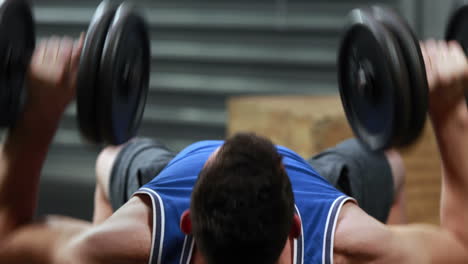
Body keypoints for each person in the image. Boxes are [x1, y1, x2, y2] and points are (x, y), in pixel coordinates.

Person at [0, 34, 467, 264]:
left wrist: (39, 112)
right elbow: (458, 244)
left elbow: (8, 236)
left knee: (109, 160)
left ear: (188, 223)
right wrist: (448, 113)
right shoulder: (344, 244)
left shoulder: (132, 240)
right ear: (294, 225)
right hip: (312, 188)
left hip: (175, 179)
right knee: (391, 164)